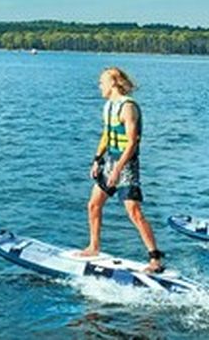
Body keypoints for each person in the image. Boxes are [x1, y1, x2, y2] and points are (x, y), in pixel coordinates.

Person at [78, 67, 164, 273]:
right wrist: (97, 159)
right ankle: (94, 246)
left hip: (127, 165)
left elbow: (132, 142)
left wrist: (118, 169)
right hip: (110, 162)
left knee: (133, 211)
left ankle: (156, 259)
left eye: (102, 82)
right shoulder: (108, 106)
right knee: (93, 205)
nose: (100, 86)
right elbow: (107, 135)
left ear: (114, 83)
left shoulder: (128, 107)